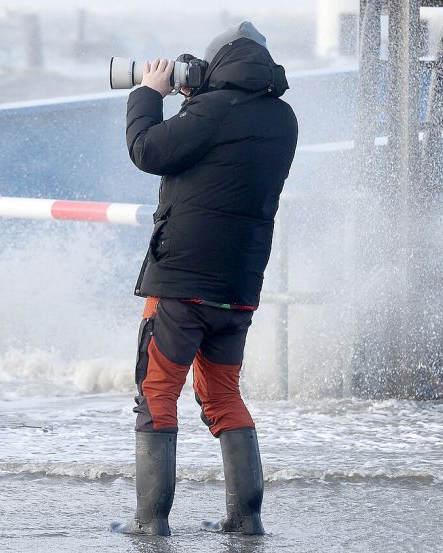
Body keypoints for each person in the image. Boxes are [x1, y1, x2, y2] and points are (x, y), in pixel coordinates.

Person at [111, 21, 298, 536]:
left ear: (218, 67)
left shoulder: (212, 110)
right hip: (238, 289)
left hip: (181, 283)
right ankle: (246, 518)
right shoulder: (283, 118)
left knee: (156, 391)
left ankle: (150, 521)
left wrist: (149, 93)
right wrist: (198, 98)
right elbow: (223, 160)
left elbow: (148, 150)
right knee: (223, 395)